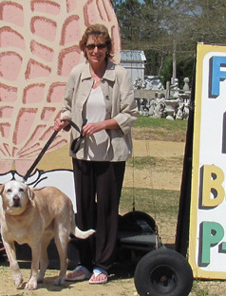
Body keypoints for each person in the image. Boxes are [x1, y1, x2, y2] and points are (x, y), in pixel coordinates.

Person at [54, 24, 138, 284]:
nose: (96, 50)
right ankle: (85, 264)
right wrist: (64, 119)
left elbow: (130, 113)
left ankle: (103, 265)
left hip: (111, 155)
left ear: (108, 49)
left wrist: (103, 124)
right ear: (84, 48)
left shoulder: (120, 75)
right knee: (85, 210)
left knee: (107, 212)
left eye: (101, 46)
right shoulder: (77, 74)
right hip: (83, 153)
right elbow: (66, 105)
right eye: (91, 46)